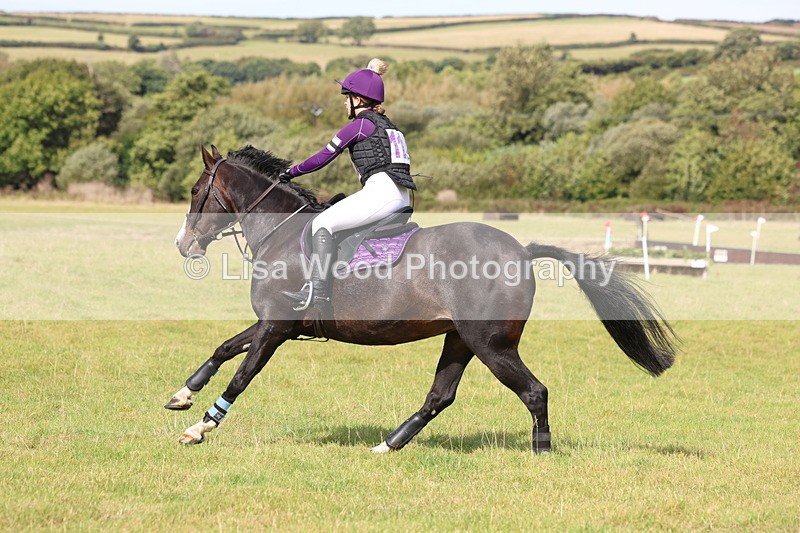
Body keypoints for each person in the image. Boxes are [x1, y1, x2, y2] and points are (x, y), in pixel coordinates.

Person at [279, 58, 416, 314]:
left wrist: (290, 172)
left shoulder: (360, 126)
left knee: (322, 223)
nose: (344, 103)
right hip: (402, 197)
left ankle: (317, 291)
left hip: (381, 193)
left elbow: (322, 157)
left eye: (347, 97)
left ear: (358, 99)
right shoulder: (391, 127)